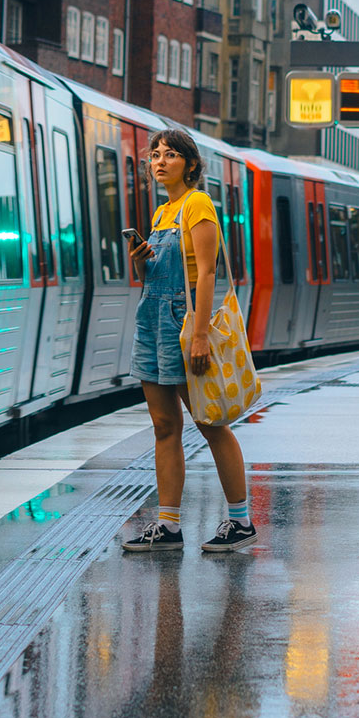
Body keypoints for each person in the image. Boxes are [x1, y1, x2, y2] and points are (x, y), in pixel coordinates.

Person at [121, 129, 257, 553]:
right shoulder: (163, 213)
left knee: (209, 422)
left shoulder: (198, 204)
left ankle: (240, 521)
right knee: (164, 426)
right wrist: (144, 261)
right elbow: (160, 275)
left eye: (170, 155)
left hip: (183, 322)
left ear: (191, 165)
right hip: (152, 320)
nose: (159, 162)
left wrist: (199, 335)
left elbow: (208, 273)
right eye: (154, 155)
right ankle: (169, 525)